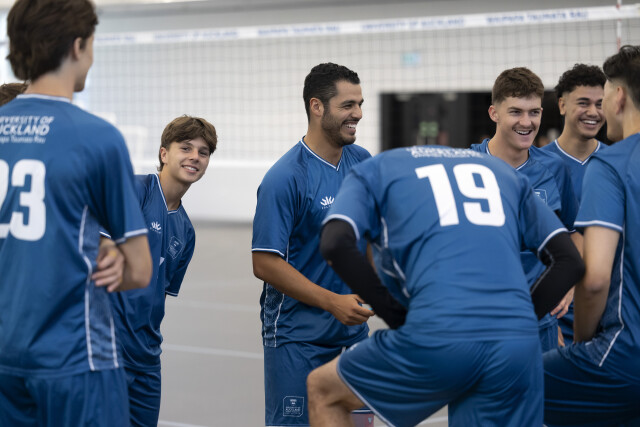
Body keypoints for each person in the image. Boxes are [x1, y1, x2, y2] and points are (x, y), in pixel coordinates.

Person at [306, 145, 584, 426]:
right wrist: (520, 320)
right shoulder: (504, 173)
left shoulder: (371, 170)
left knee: (324, 391)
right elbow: (570, 261)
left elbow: (334, 243)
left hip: (441, 331)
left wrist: (394, 315)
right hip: (516, 343)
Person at [0, 0, 152, 426]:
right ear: (78, 45)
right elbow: (140, 270)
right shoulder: (96, 138)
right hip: (74, 359)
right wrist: (113, 253)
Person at [251, 62, 374, 426]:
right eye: (348, 105)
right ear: (317, 107)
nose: (358, 113)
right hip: (297, 340)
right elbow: (264, 263)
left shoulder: (363, 163)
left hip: (353, 336)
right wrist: (332, 302)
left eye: (360, 104)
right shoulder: (285, 177)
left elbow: (368, 238)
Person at [543, 45, 640, 426]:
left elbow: (595, 278)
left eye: (602, 98)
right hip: (558, 320)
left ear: (618, 97)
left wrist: (583, 344)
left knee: (494, 384)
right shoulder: (540, 164)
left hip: (622, 351)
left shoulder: (612, 163)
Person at [103, 116, 217, 426]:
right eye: (186, 148)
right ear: (164, 154)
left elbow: (158, 298)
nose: (195, 157)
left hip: (147, 358)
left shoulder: (187, 232)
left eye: (203, 152)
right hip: (108, 352)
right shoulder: (134, 190)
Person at [470, 67, 580, 352]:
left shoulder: (554, 169)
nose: (527, 122)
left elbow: (573, 232)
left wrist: (567, 285)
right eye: (516, 112)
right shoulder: (464, 165)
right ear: (494, 113)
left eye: (534, 112)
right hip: (479, 320)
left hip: (539, 320)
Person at [541, 63, 606, 344]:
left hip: (608, 313)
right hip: (554, 314)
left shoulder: (620, 164)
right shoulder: (537, 166)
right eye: (583, 103)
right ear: (562, 105)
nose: (593, 112)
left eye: (600, 104)